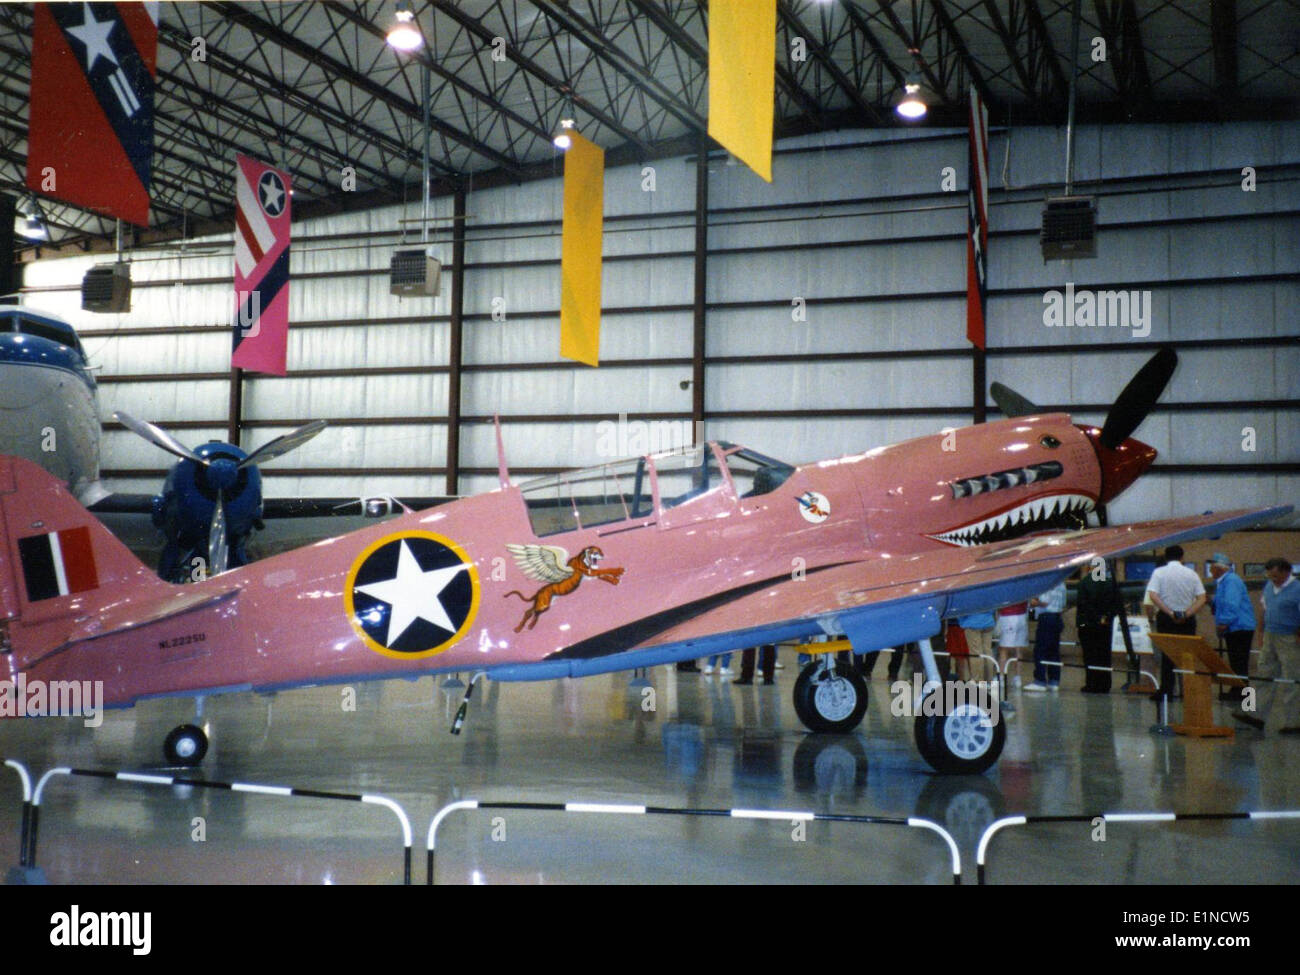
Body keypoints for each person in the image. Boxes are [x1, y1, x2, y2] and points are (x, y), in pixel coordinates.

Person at [1233, 557, 1300, 733]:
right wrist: (1261, 633)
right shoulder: (1269, 587)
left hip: (1290, 637)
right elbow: (1264, 609)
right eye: (1271, 576)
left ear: (1287, 572)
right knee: (1263, 675)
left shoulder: (1297, 589)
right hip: (1271, 635)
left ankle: (1293, 722)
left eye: (1276, 576)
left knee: (1292, 680)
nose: (1273, 579)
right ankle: (1255, 715)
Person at [1145, 544, 1206, 702]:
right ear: (1182, 557)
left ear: (1166, 557)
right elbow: (1202, 598)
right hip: (1187, 619)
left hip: (1166, 618)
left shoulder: (1159, 572)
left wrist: (1169, 611)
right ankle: (1189, 691)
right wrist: (1187, 613)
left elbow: (1152, 595)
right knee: (1187, 656)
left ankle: (1166, 692)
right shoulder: (1192, 574)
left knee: (1167, 656)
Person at [1208, 553, 1255, 702]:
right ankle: (1237, 690)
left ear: (1219, 568)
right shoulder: (1224, 582)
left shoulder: (1231, 581)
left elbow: (1231, 604)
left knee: (1240, 662)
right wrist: (1210, 602)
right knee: (1236, 662)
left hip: (1240, 627)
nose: (1210, 571)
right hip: (1234, 627)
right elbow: (1222, 602)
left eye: (1212, 567)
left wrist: (1223, 623)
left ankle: (1244, 695)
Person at [1076, 562, 1123, 692]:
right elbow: (1116, 604)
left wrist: (1095, 617)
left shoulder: (1084, 583)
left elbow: (1082, 604)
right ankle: (1105, 684)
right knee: (1104, 654)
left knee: (1090, 655)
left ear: (1090, 568)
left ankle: (1091, 684)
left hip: (1088, 625)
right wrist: (1106, 617)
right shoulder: (1110, 583)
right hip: (1105, 625)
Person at [1025, 580, 1067, 691]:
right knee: (1054, 651)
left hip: (1047, 617)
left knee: (1040, 650)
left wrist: (1032, 602)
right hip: (1057, 617)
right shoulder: (1061, 582)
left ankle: (1040, 681)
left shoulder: (1048, 583)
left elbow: (1044, 601)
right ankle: (1054, 681)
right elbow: (1064, 603)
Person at [995, 601, 1029, 695]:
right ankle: (1018, 678)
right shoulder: (1023, 586)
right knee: (1018, 649)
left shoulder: (1005, 586)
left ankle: (1001, 677)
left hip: (1007, 616)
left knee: (1003, 649)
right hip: (1022, 616)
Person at [957, 610, 996, 681]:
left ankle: (978, 680)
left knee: (975, 653)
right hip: (988, 621)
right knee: (988, 652)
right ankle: (990, 680)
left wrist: (962, 622)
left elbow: (962, 608)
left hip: (972, 623)